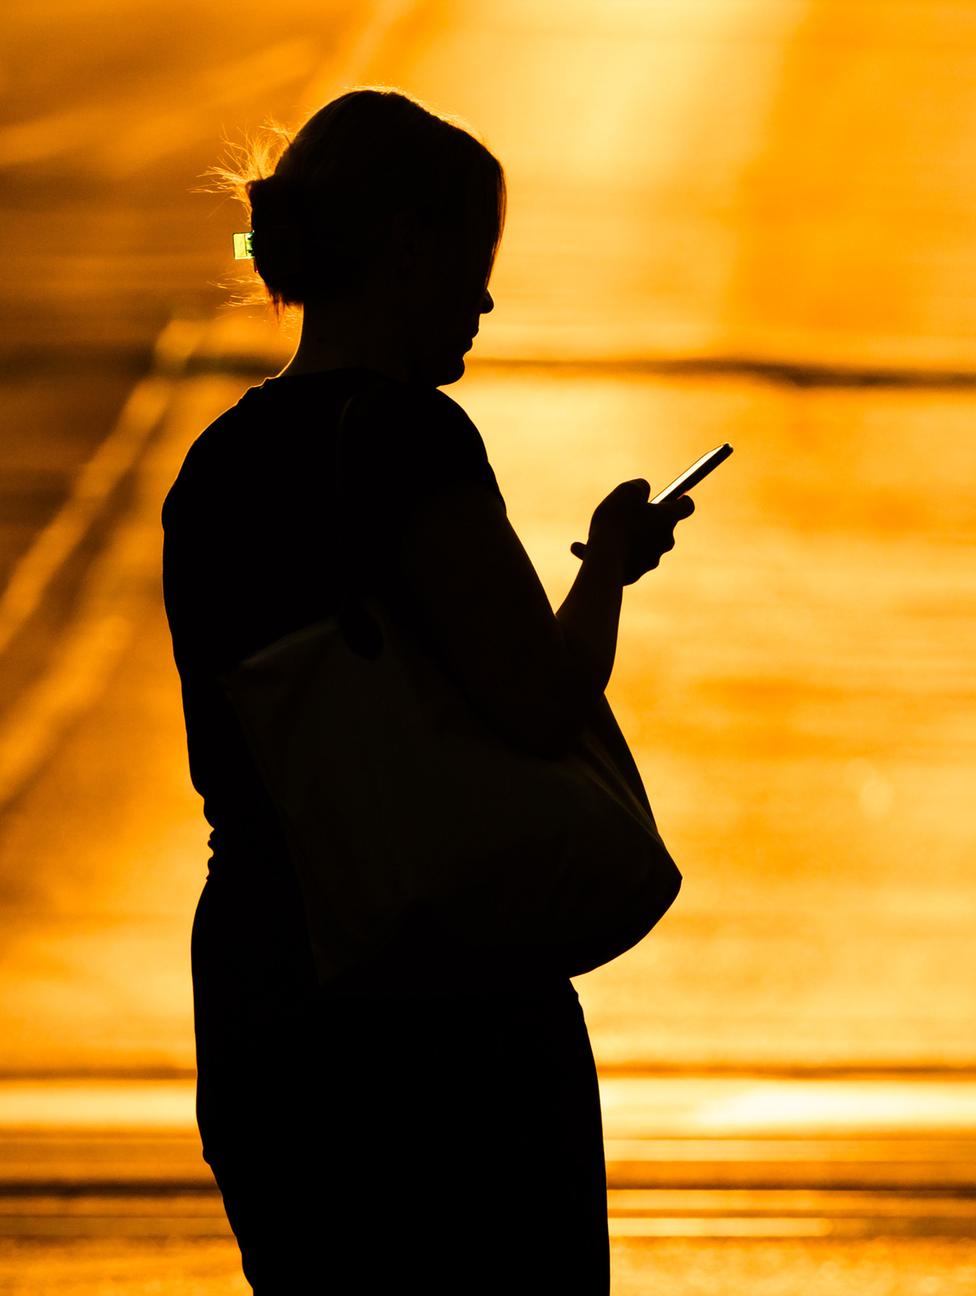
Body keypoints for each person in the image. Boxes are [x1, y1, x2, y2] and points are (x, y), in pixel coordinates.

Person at [161, 87, 695, 1293]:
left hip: (264, 982)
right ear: (406, 248)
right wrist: (607, 570)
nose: (485, 301)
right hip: (440, 1000)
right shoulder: (409, 441)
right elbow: (539, 700)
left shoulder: (217, 463)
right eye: (472, 260)